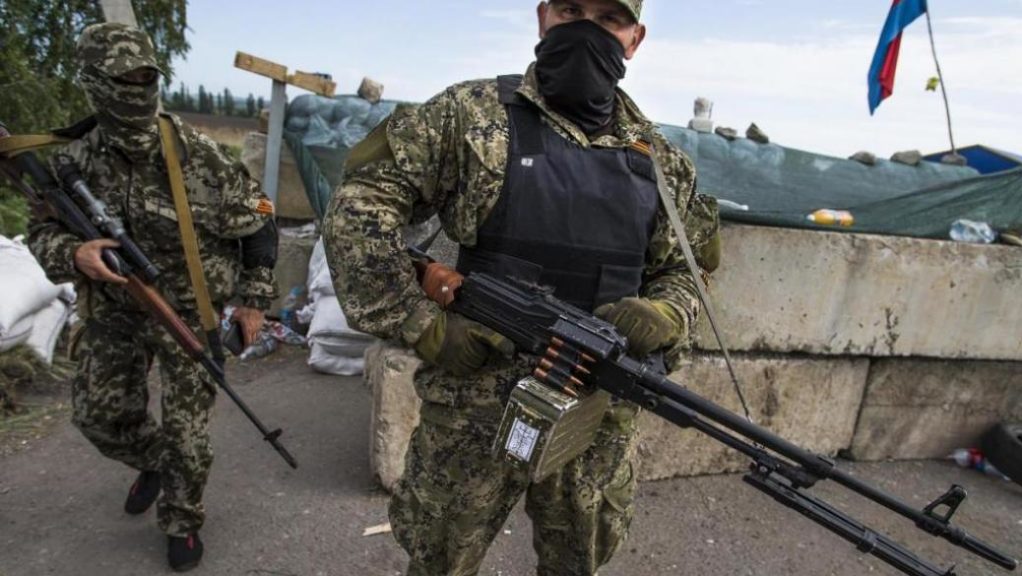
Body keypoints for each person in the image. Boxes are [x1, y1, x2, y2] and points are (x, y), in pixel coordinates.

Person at [324, 0, 720, 574]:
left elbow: (689, 269)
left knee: (576, 561)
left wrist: (668, 311)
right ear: (542, 17)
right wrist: (421, 324)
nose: (587, 30)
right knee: (440, 559)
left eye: (608, 19)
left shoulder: (662, 163)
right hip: (475, 404)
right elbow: (360, 205)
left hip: (595, 408)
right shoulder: (469, 115)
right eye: (570, 10)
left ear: (635, 38)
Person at [27, 23, 278, 572]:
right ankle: (157, 462)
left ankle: (182, 519)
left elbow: (262, 215)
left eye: (147, 78)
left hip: (190, 312)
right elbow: (40, 229)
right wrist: (75, 254)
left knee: (189, 434)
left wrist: (255, 299)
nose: (138, 90)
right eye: (124, 80)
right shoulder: (73, 161)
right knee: (99, 417)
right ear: (94, 84)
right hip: (115, 310)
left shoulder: (200, 155)